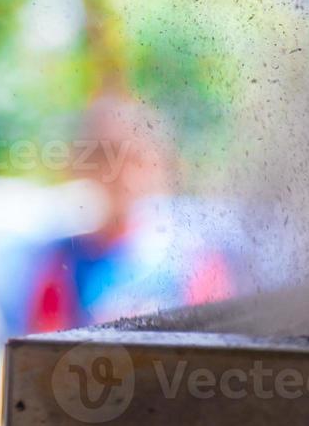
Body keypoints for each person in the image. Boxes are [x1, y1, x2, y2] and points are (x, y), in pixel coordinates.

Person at [16, 94, 234, 332]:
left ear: (161, 163)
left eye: (136, 156)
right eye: (103, 155)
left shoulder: (194, 261)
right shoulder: (62, 264)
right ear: (79, 165)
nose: (120, 172)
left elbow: (216, 349)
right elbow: (42, 355)